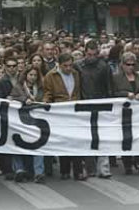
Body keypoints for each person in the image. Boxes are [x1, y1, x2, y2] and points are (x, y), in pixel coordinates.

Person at [43, 53, 86, 181]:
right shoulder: (51, 75)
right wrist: (46, 101)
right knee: (64, 141)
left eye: (70, 65)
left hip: (74, 110)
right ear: (59, 65)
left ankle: (78, 171)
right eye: (65, 66)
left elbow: (78, 92)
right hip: (60, 111)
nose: (68, 68)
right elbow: (48, 92)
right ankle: (65, 170)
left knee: (76, 141)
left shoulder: (76, 74)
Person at [74, 40, 112, 179]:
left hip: (100, 104)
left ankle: (104, 168)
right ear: (85, 52)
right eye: (89, 54)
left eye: (94, 55)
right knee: (87, 137)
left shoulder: (104, 67)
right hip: (83, 105)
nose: (91, 57)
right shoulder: (78, 66)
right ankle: (90, 168)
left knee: (102, 137)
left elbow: (109, 87)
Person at [111, 52, 139, 175]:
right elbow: (113, 93)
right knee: (126, 138)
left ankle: (138, 162)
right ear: (122, 65)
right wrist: (126, 94)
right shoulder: (116, 77)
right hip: (124, 114)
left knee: (138, 138)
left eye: (133, 64)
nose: (131, 67)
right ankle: (127, 163)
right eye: (128, 64)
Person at [8, 65, 46, 184]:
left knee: (39, 145)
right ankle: (19, 169)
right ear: (25, 75)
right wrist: (24, 100)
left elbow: (45, 97)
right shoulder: (18, 87)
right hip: (20, 121)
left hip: (36, 122)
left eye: (35, 75)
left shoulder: (40, 88)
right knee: (17, 144)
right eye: (31, 75)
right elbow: (11, 98)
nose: (33, 77)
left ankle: (39, 172)